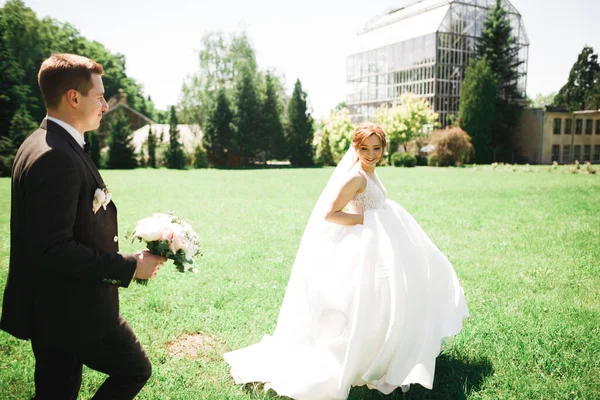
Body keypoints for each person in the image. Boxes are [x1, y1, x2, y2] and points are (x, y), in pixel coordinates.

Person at [224, 123, 469, 399]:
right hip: (363, 245)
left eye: (376, 148)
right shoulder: (356, 178)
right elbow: (331, 213)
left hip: (378, 244)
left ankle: (382, 353)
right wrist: (366, 219)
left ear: (383, 148)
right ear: (356, 148)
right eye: (364, 148)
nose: (371, 154)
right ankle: (360, 358)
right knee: (364, 301)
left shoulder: (371, 172)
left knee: (387, 300)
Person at [0, 53, 167, 400]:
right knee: (134, 369)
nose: (106, 104)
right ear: (73, 98)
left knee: (56, 391)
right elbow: (53, 249)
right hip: (72, 311)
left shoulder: (40, 143)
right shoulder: (54, 156)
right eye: (100, 96)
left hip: (52, 307)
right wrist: (130, 265)